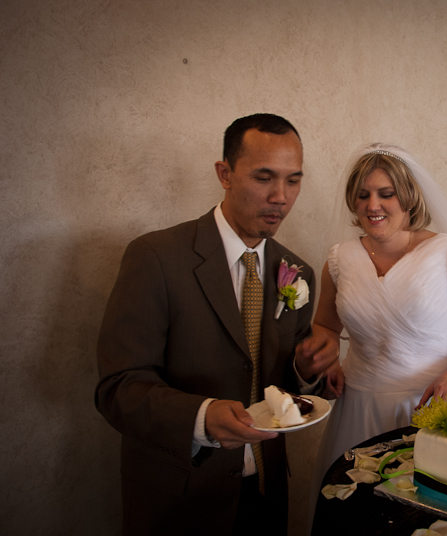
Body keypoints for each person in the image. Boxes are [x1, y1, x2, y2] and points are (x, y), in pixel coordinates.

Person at [95, 114, 337, 535]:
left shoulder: (297, 271)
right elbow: (118, 387)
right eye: (264, 177)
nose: (281, 197)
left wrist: (305, 370)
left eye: (293, 181)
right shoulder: (156, 257)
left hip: (266, 494)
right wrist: (201, 417)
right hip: (180, 499)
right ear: (225, 174)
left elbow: (282, 391)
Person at [305, 143, 447, 475]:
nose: (372, 205)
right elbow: (325, 326)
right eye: (363, 195)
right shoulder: (339, 259)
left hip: (430, 406)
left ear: (408, 197)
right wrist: (329, 359)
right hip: (357, 409)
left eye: (386, 194)